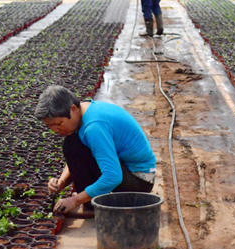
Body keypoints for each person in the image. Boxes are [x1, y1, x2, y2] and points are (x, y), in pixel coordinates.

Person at [36, 86, 157, 217]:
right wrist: (62, 181)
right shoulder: (85, 110)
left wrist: (75, 200)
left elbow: (113, 177)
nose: (55, 130)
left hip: (138, 182)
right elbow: (79, 155)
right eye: (50, 126)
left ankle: (92, 206)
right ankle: (89, 198)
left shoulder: (94, 127)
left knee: (72, 145)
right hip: (130, 171)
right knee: (73, 143)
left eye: (59, 124)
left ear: (73, 109)